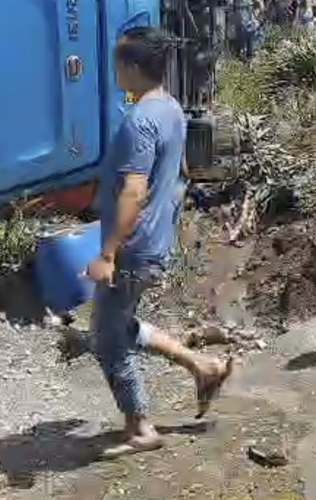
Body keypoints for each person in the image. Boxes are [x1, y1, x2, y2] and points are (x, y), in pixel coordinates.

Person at [84, 27, 233, 459]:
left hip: (132, 247)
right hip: (152, 239)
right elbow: (177, 171)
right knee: (121, 323)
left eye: (117, 63)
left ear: (132, 67)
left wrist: (108, 252)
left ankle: (141, 429)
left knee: (108, 340)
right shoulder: (168, 108)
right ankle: (203, 368)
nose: (114, 71)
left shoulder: (142, 121)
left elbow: (134, 191)